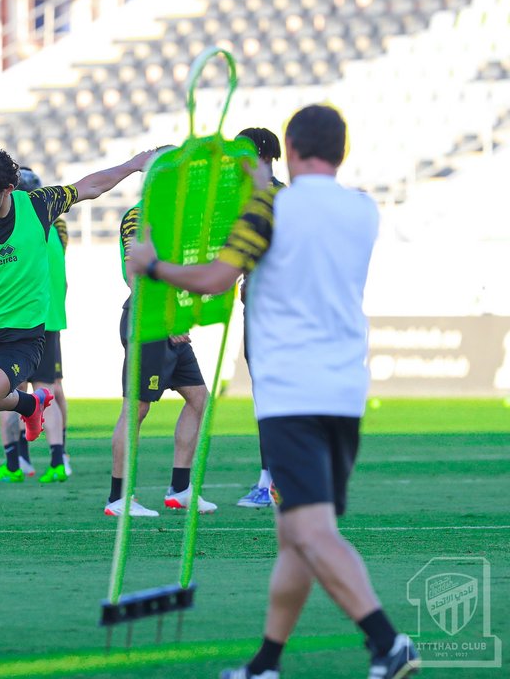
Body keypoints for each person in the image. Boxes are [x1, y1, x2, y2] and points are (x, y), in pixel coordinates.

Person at [127, 105, 419, 679]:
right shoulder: (362, 209)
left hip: (293, 390)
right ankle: (267, 661)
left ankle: (387, 642)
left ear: (290, 145)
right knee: (294, 535)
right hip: (342, 387)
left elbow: (215, 278)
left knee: (310, 530)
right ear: (340, 150)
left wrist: (153, 266)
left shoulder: (268, 208)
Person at [0, 146, 153, 526]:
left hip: (21, 339)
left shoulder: (38, 205)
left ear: (7, 189)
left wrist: (133, 166)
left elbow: (90, 187)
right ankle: (29, 405)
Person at [104, 147, 217, 518]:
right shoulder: (140, 217)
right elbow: (134, 276)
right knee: (135, 409)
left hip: (172, 327)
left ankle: (180, 489)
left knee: (200, 399)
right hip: (149, 325)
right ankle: (118, 498)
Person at [0, 166, 71, 483]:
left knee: (8, 391)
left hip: (18, 319)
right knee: (48, 390)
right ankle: (57, 459)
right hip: (49, 318)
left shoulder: (15, 227)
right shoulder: (57, 227)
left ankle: (15, 463)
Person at [234, 127, 285, 510]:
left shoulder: (279, 199)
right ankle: (272, 479)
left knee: (275, 398)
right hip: (259, 311)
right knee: (267, 397)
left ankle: (273, 481)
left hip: (277, 312)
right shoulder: (244, 198)